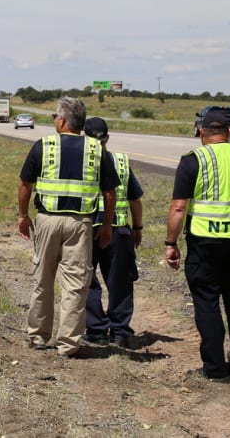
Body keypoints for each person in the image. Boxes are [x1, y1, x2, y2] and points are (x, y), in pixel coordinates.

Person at [165, 110, 230, 381]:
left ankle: (215, 368)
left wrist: (171, 243)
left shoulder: (193, 160)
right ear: (228, 133)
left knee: (207, 303)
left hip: (204, 244)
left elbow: (179, 207)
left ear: (202, 133)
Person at [18, 97, 120, 358]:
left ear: (62, 120)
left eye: (55, 116)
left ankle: (38, 336)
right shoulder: (98, 150)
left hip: (48, 220)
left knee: (43, 278)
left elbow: (25, 184)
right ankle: (69, 344)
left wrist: (22, 215)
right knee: (76, 283)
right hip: (81, 224)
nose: (54, 119)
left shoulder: (44, 145)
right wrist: (107, 225)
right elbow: (110, 193)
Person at [82, 117, 144, 349]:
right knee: (120, 281)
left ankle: (96, 329)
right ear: (107, 138)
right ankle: (120, 331)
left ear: (83, 137)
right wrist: (137, 227)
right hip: (119, 230)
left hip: (87, 229)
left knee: (87, 279)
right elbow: (135, 200)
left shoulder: (80, 160)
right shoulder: (120, 161)